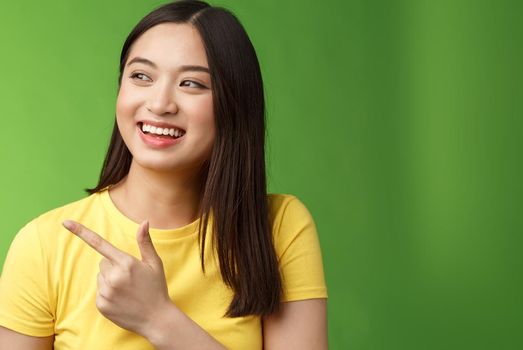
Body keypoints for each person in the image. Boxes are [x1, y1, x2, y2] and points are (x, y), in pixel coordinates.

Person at [0, 1, 328, 349]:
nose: (160, 104)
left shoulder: (279, 228)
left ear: (234, 104)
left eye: (191, 83)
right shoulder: (43, 245)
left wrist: (158, 319)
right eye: (141, 76)